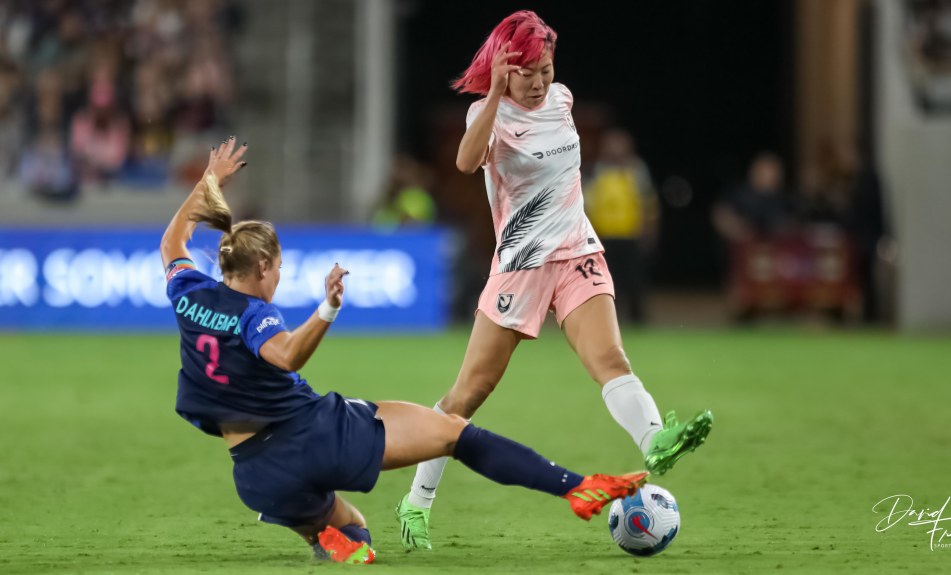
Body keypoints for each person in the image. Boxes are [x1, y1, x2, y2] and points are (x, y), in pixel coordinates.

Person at [160, 137, 648, 564]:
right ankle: (577, 488)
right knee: (455, 434)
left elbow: (172, 243)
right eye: (279, 268)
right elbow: (286, 356)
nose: (279, 277)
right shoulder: (256, 315)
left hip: (255, 476)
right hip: (314, 436)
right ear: (265, 265)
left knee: (352, 531)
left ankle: (326, 537)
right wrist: (327, 309)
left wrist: (208, 181)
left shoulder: (189, 293)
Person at [396, 11, 713, 551]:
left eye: (546, 69)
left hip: (576, 252)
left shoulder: (562, 100)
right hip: (521, 266)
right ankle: (417, 500)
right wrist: (495, 94)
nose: (540, 82)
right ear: (505, 70)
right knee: (468, 393)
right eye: (527, 73)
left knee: (610, 359)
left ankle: (654, 439)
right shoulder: (487, 114)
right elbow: (466, 162)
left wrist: (535, 83)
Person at [584, 128, 659, 324]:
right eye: (612, 144)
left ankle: (637, 320)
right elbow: (586, 203)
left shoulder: (637, 170)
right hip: (603, 236)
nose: (616, 149)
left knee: (635, 281)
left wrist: (649, 229)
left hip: (631, 235)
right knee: (605, 282)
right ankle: (608, 321)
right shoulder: (595, 171)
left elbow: (648, 202)